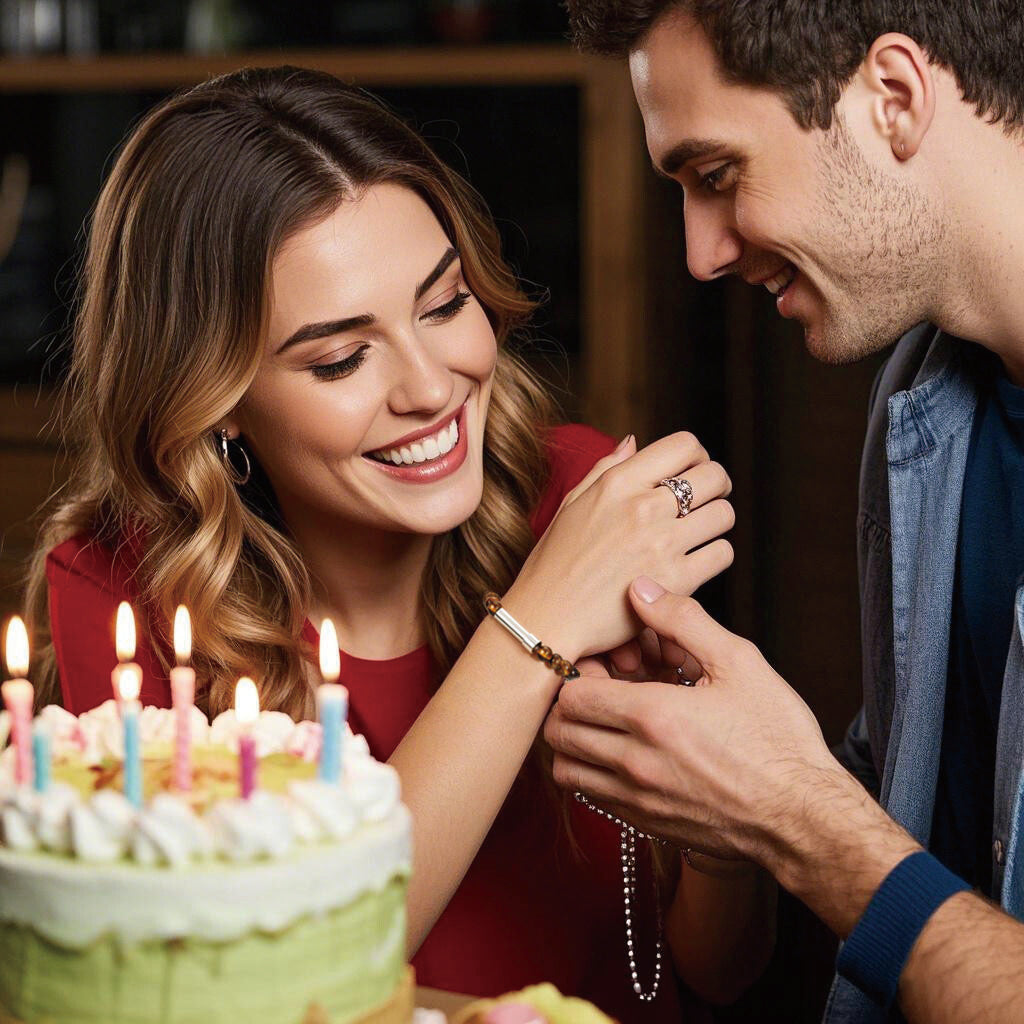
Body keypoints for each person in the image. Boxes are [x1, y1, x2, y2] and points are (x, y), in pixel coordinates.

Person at [24, 66, 774, 1018]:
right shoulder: (125, 597)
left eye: (444, 303)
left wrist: (713, 818)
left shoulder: (573, 499)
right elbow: (283, 985)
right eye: (341, 356)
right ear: (218, 405)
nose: (431, 386)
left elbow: (720, 966)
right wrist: (536, 622)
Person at [546, 3, 1024, 1023]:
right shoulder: (922, 398)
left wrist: (794, 810)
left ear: (893, 99)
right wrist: (719, 762)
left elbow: (845, 836)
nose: (701, 254)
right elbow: (938, 805)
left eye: (716, 176)